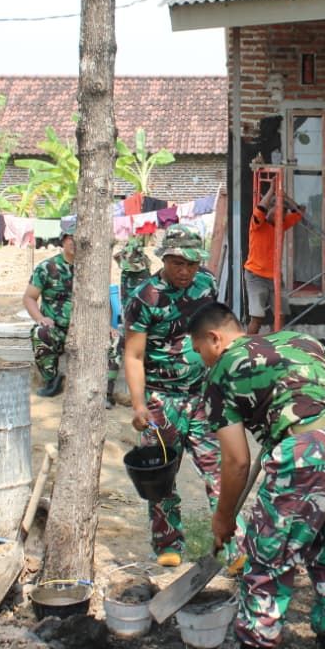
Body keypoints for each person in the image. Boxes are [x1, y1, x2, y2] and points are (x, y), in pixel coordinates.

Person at [190, 302, 325, 649]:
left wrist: (223, 520)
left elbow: (237, 460)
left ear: (215, 338)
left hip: (307, 453)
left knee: (267, 560)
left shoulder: (223, 372)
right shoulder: (299, 338)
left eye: (199, 351)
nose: (201, 360)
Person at [123, 223, 221, 567]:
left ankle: (230, 542)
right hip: (162, 401)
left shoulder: (207, 284)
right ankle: (168, 543)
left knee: (219, 470)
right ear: (164, 258)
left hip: (203, 397)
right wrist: (138, 404)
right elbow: (133, 356)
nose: (185, 271)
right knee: (161, 476)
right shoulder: (145, 297)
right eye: (178, 263)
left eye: (192, 264)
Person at [22, 218, 120, 400]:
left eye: (80, 239)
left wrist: (107, 326)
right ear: (63, 239)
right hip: (57, 330)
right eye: (71, 238)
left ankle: (106, 393)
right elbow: (29, 297)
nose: (75, 243)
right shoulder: (47, 268)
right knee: (39, 332)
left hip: (87, 330)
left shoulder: (94, 269)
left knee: (116, 340)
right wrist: (40, 318)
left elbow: (104, 302)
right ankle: (52, 380)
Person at [243, 187, 304, 334]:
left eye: (283, 213)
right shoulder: (257, 224)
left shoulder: (281, 225)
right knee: (257, 318)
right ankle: (247, 348)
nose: (280, 216)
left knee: (280, 316)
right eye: (276, 211)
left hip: (275, 277)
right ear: (269, 210)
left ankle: (276, 347)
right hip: (256, 276)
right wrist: (271, 190)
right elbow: (260, 208)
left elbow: (300, 211)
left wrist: (284, 196)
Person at [107, 235, 152, 407]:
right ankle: (107, 393)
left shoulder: (146, 277)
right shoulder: (126, 273)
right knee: (116, 350)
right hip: (129, 324)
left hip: (144, 326)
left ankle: (145, 397)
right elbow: (126, 302)